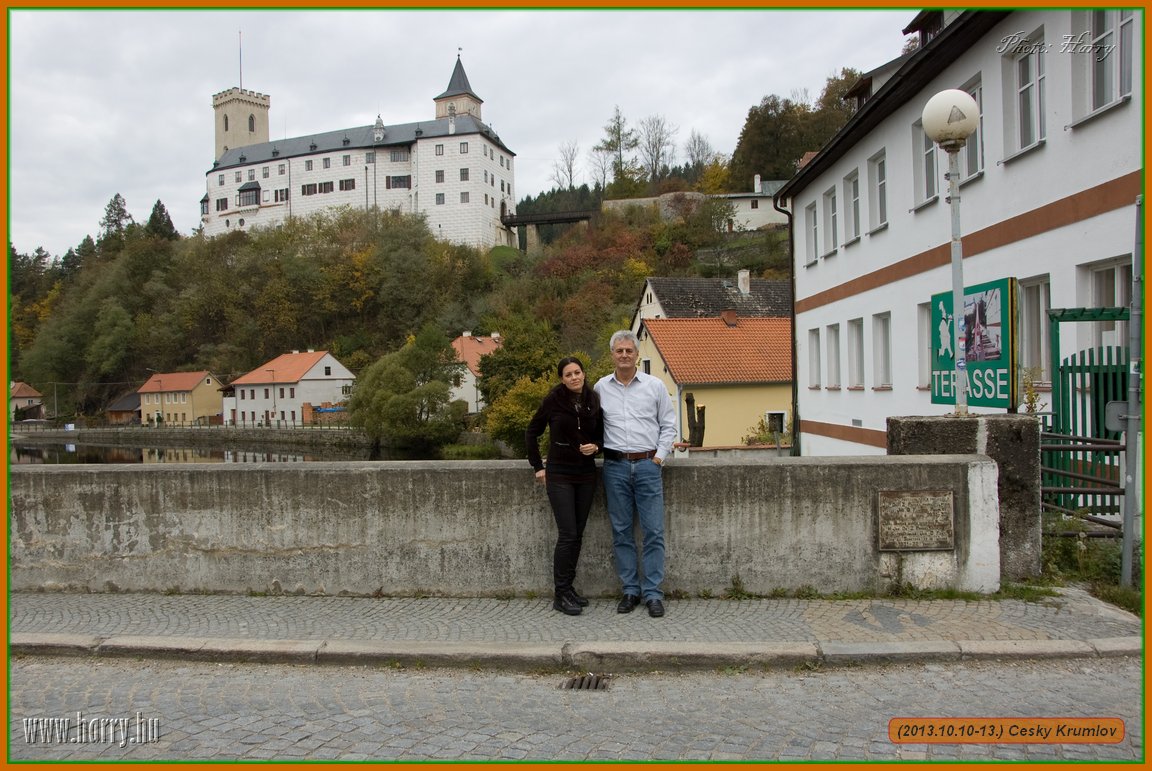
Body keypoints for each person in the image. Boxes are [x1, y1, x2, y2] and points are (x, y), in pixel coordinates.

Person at [593, 330, 677, 618]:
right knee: (621, 532)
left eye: (629, 351)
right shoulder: (600, 388)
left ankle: (653, 593)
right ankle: (630, 590)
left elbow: (669, 425)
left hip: (647, 466)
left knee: (653, 531)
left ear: (637, 355)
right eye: (620, 351)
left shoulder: (654, 386)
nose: (625, 355)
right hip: (614, 466)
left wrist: (658, 458)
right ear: (612, 354)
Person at [525, 356, 603, 616]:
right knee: (568, 533)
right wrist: (538, 466)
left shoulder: (593, 399)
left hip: (586, 474)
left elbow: (601, 435)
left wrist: (596, 447)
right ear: (562, 378)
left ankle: (569, 589)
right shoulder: (553, 400)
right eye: (568, 374)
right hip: (559, 475)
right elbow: (531, 432)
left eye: (577, 372)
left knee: (578, 534)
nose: (574, 377)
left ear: (583, 374)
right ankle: (560, 594)